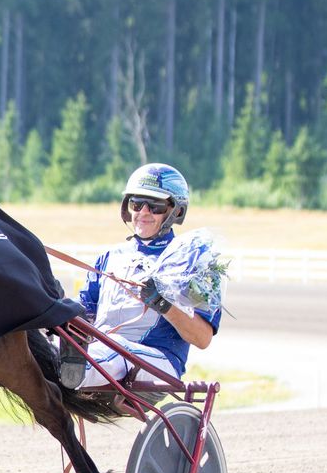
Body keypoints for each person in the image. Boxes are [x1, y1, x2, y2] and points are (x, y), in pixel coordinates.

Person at [75, 162, 220, 388]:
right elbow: (83, 317)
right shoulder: (108, 258)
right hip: (103, 354)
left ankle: (72, 370)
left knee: (115, 347)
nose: (143, 212)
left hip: (159, 363)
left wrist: (163, 305)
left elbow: (202, 338)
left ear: (176, 211)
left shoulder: (193, 262)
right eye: (136, 203)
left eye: (155, 205)